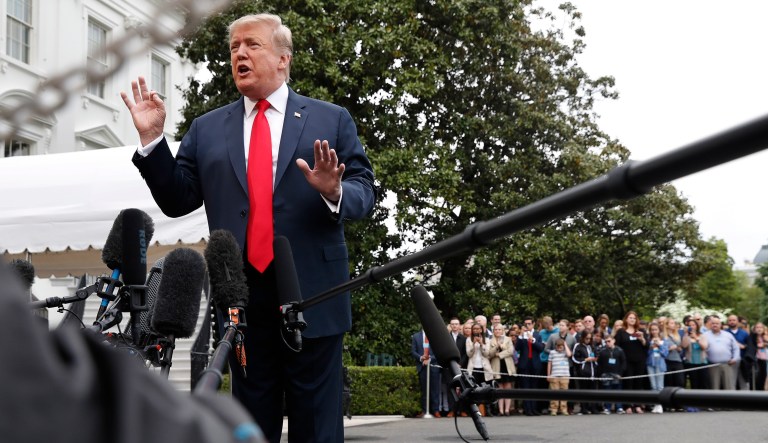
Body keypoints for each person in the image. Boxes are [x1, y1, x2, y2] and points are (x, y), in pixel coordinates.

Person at [121, 13, 376, 443]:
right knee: (249, 424)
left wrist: (334, 192)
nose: (240, 53)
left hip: (313, 294)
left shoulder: (330, 119)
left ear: (282, 59)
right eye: (234, 47)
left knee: (317, 426)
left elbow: (364, 192)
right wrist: (153, 143)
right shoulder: (207, 129)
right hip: (240, 298)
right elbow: (178, 198)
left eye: (252, 45)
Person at [613, 311, 647, 414]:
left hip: (639, 361)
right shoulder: (621, 332)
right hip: (627, 361)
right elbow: (617, 347)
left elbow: (646, 345)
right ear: (626, 319)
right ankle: (627, 405)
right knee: (628, 383)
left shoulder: (641, 331)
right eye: (630, 318)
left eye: (634, 318)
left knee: (638, 383)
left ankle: (637, 405)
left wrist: (642, 339)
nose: (632, 320)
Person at [515, 317, 544, 416]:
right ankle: (527, 409)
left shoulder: (537, 335)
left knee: (534, 387)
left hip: (535, 364)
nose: (527, 326)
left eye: (529, 324)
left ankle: (534, 409)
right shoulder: (522, 336)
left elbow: (541, 349)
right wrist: (520, 336)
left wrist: (533, 341)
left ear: (533, 324)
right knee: (525, 387)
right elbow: (516, 348)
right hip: (524, 364)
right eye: (525, 324)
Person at [703, 316, 740, 390]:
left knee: (729, 387)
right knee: (714, 387)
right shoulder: (705, 335)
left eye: (717, 323)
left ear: (721, 325)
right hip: (712, 365)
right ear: (710, 325)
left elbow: (736, 348)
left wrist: (735, 358)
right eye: (713, 323)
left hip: (727, 365)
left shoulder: (728, 335)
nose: (715, 325)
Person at [411, 330, 441, 418]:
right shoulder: (416, 336)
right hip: (422, 366)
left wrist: (430, 359)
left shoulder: (435, 335)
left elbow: (439, 351)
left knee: (435, 389)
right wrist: (421, 358)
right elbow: (413, 351)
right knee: (424, 390)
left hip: (433, 366)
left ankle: (436, 410)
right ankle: (424, 411)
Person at [489, 323, 517, 415]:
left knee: (508, 388)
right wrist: (496, 347)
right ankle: (501, 410)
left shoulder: (508, 339)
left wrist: (500, 351)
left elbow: (510, 351)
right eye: (496, 329)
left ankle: (507, 410)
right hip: (496, 367)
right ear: (493, 331)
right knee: (500, 388)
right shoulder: (490, 340)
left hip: (507, 366)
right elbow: (489, 354)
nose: (497, 331)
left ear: (503, 331)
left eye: (499, 329)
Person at [466, 323, 493, 416]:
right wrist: (473, 344)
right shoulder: (468, 340)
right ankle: (474, 411)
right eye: (474, 329)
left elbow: (487, 354)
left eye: (478, 329)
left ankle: (488, 410)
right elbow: (469, 354)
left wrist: (482, 344)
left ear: (481, 330)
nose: (476, 331)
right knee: (473, 390)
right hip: (473, 368)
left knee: (486, 389)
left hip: (484, 368)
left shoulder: (487, 340)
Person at [597, 335, 626, 414]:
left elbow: (623, 362)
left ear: (614, 341)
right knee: (607, 391)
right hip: (606, 374)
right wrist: (601, 374)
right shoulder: (603, 351)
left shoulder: (619, 350)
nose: (607, 343)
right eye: (606, 342)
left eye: (609, 341)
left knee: (618, 391)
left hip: (617, 374)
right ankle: (607, 408)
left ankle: (619, 407)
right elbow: (599, 364)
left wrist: (620, 373)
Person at [571, 331, 599, 415]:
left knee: (593, 391)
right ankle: (584, 408)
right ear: (582, 338)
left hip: (593, 372)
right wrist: (585, 360)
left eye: (590, 338)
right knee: (584, 390)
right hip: (583, 372)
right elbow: (574, 358)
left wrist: (595, 359)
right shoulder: (578, 346)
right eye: (586, 338)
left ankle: (593, 408)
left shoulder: (592, 346)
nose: (588, 340)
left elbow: (597, 355)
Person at [683, 317, 709, 400]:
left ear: (697, 326)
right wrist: (686, 335)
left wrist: (696, 338)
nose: (692, 326)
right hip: (691, 363)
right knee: (694, 383)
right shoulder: (686, 336)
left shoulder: (702, 335)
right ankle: (695, 402)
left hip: (702, 363)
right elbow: (684, 345)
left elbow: (704, 346)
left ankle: (704, 402)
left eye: (693, 325)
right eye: (689, 325)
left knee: (704, 383)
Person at [646, 322, 668, 414]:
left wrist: (659, 345)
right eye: (652, 330)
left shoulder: (664, 340)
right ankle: (656, 404)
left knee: (660, 386)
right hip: (650, 363)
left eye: (655, 329)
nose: (654, 331)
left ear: (659, 330)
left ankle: (660, 404)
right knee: (653, 385)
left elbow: (665, 354)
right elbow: (645, 353)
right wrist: (650, 347)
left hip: (660, 363)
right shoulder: (648, 340)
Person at [546, 338, 571, 416]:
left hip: (565, 375)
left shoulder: (565, 352)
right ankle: (554, 409)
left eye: (561, 346)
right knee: (554, 393)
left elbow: (569, 354)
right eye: (558, 346)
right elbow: (549, 364)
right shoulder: (552, 353)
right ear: (555, 346)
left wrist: (565, 344)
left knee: (564, 393)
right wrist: (548, 374)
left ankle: (564, 409)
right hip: (554, 375)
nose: (559, 348)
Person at [751, 322, 768, 391]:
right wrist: (760, 345)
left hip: (766, 359)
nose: (759, 329)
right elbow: (752, 346)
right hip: (757, 360)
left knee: (764, 377)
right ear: (754, 329)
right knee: (758, 378)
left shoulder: (765, 336)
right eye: (757, 327)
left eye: (761, 327)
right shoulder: (752, 337)